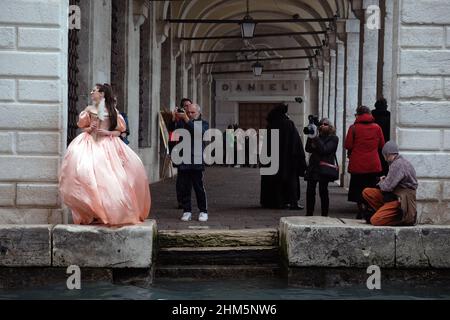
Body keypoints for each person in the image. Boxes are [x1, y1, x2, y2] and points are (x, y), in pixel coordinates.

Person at [59, 83, 151, 226]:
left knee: (109, 179)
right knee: (85, 174)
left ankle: (109, 211)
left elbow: (119, 131)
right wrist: (90, 128)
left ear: (102, 94)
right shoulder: (89, 110)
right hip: (89, 144)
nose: (91, 93)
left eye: (94, 91)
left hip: (108, 145)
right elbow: (83, 128)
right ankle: (92, 211)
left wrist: (108, 133)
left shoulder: (113, 111)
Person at [260, 103, 307, 210]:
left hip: (273, 160)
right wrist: (300, 159)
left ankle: (277, 202)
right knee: (291, 181)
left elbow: (266, 145)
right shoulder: (289, 124)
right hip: (288, 160)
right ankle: (293, 203)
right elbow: (296, 142)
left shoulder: (271, 125)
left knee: (275, 181)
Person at [169, 103, 209, 222]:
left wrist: (186, 119)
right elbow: (173, 137)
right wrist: (174, 121)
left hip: (196, 160)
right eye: (188, 112)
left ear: (198, 113)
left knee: (199, 187)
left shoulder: (204, 123)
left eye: (193, 113)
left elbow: (200, 133)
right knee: (184, 187)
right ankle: (187, 211)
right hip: (183, 159)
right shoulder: (181, 123)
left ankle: (203, 211)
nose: (190, 115)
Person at [362, 140, 418, 226]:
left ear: (387, 154)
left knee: (375, 220)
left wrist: (381, 181)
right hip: (397, 197)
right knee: (367, 192)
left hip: (401, 202)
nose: (384, 159)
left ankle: (400, 218)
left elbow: (387, 187)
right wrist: (386, 180)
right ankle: (385, 213)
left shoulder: (397, 164)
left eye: (384, 156)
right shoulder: (402, 162)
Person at [345, 106, 385, 219]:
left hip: (357, 164)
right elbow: (382, 144)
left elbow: (348, 145)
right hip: (373, 163)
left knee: (358, 187)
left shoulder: (353, 128)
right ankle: (369, 207)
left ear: (357, 114)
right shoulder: (377, 127)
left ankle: (361, 208)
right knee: (371, 186)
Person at [304, 118, 339, 216]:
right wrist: (311, 135)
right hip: (313, 167)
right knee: (310, 191)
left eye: (325, 124)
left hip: (324, 168)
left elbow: (325, 150)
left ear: (330, 126)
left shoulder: (334, 138)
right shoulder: (316, 136)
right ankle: (309, 213)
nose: (322, 125)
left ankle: (324, 215)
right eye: (321, 124)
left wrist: (315, 138)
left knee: (323, 191)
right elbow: (308, 149)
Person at [170, 98, 193, 209]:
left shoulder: (193, 118)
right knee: (181, 178)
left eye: (189, 105)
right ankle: (181, 201)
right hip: (180, 152)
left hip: (192, 152)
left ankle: (188, 199)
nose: (188, 108)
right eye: (185, 106)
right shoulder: (178, 120)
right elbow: (172, 135)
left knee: (191, 179)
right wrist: (174, 119)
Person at [372, 98, 391, 176]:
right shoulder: (389, 116)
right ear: (385, 106)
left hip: (374, 145)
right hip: (386, 144)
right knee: (384, 165)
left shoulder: (372, 116)